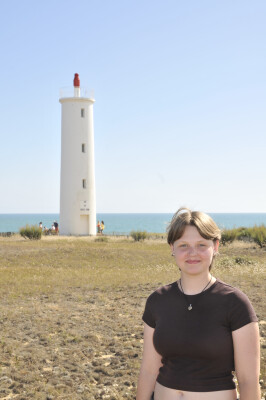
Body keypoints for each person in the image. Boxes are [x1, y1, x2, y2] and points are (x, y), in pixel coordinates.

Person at [136, 208, 260, 400]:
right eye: (183, 245)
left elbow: (247, 381)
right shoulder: (157, 301)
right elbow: (149, 371)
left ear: (216, 246)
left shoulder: (236, 303)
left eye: (202, 245)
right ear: (172, 248)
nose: (192, 253)